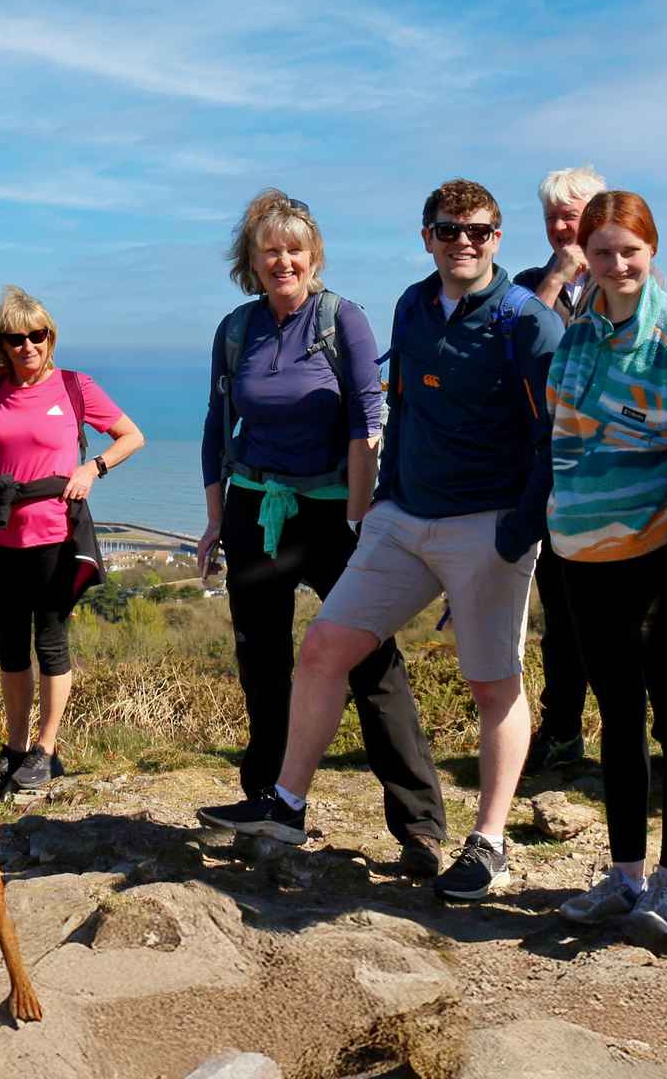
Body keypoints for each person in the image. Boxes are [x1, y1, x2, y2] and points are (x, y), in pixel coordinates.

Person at [202, 178, 561, 902]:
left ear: (498, 237)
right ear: (427, 236)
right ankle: (283, 804)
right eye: (449, 230)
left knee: (481, 681)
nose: (463, 242)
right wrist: (385, 501)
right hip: (372, 514)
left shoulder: (523, 321)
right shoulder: (411, 305)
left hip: (449, 520)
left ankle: (468, 837)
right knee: (313, 652)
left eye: (479, 231)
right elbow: (398, 408)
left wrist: (517, 530)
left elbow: (553, 433)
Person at [194, 190, 449, 878]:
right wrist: (216, 518)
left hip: (336, 514)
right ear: (252, 262)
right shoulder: (237, 329)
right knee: (261, 658)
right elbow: (218, 428)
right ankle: (271, 801)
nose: (284, 261)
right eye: (270, 251)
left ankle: (419, 826)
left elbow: (368, 417)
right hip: (257, 510)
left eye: (294, 250)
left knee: (370, 660)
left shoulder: (342, 320)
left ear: (314, 257)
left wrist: (362, 517)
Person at [541, 191, 667, 937]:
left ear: (652, 250)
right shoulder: (578, 334)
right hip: (581, 551)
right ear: (585, 255)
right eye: (603, 252)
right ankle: (625, 875)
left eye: (630, 251)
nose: (617, 265)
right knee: (615, 713)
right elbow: (558, 433)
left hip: (664, 545)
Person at [0, 286, 144, 795]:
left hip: (56, 533)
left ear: (50, 337)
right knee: (10, 649)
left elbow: (131, 436)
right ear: (2, 344)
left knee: (50, 644)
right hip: (2, 534)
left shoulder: (75, 386)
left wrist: (92, 468)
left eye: (38, 335)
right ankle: (13, 749)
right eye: (16, 338)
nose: (28, 346)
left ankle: (46, 751)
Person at [513, 165, 608, 774]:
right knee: (562, 616)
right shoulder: (527, 285)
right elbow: (514, 349)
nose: (560, 227)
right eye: (552, 216)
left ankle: (645, 737)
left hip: (615, 475)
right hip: (552, 475)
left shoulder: (627, 277)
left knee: (625, 618)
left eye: (570, 215)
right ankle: (563, 730)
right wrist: (555, 280)